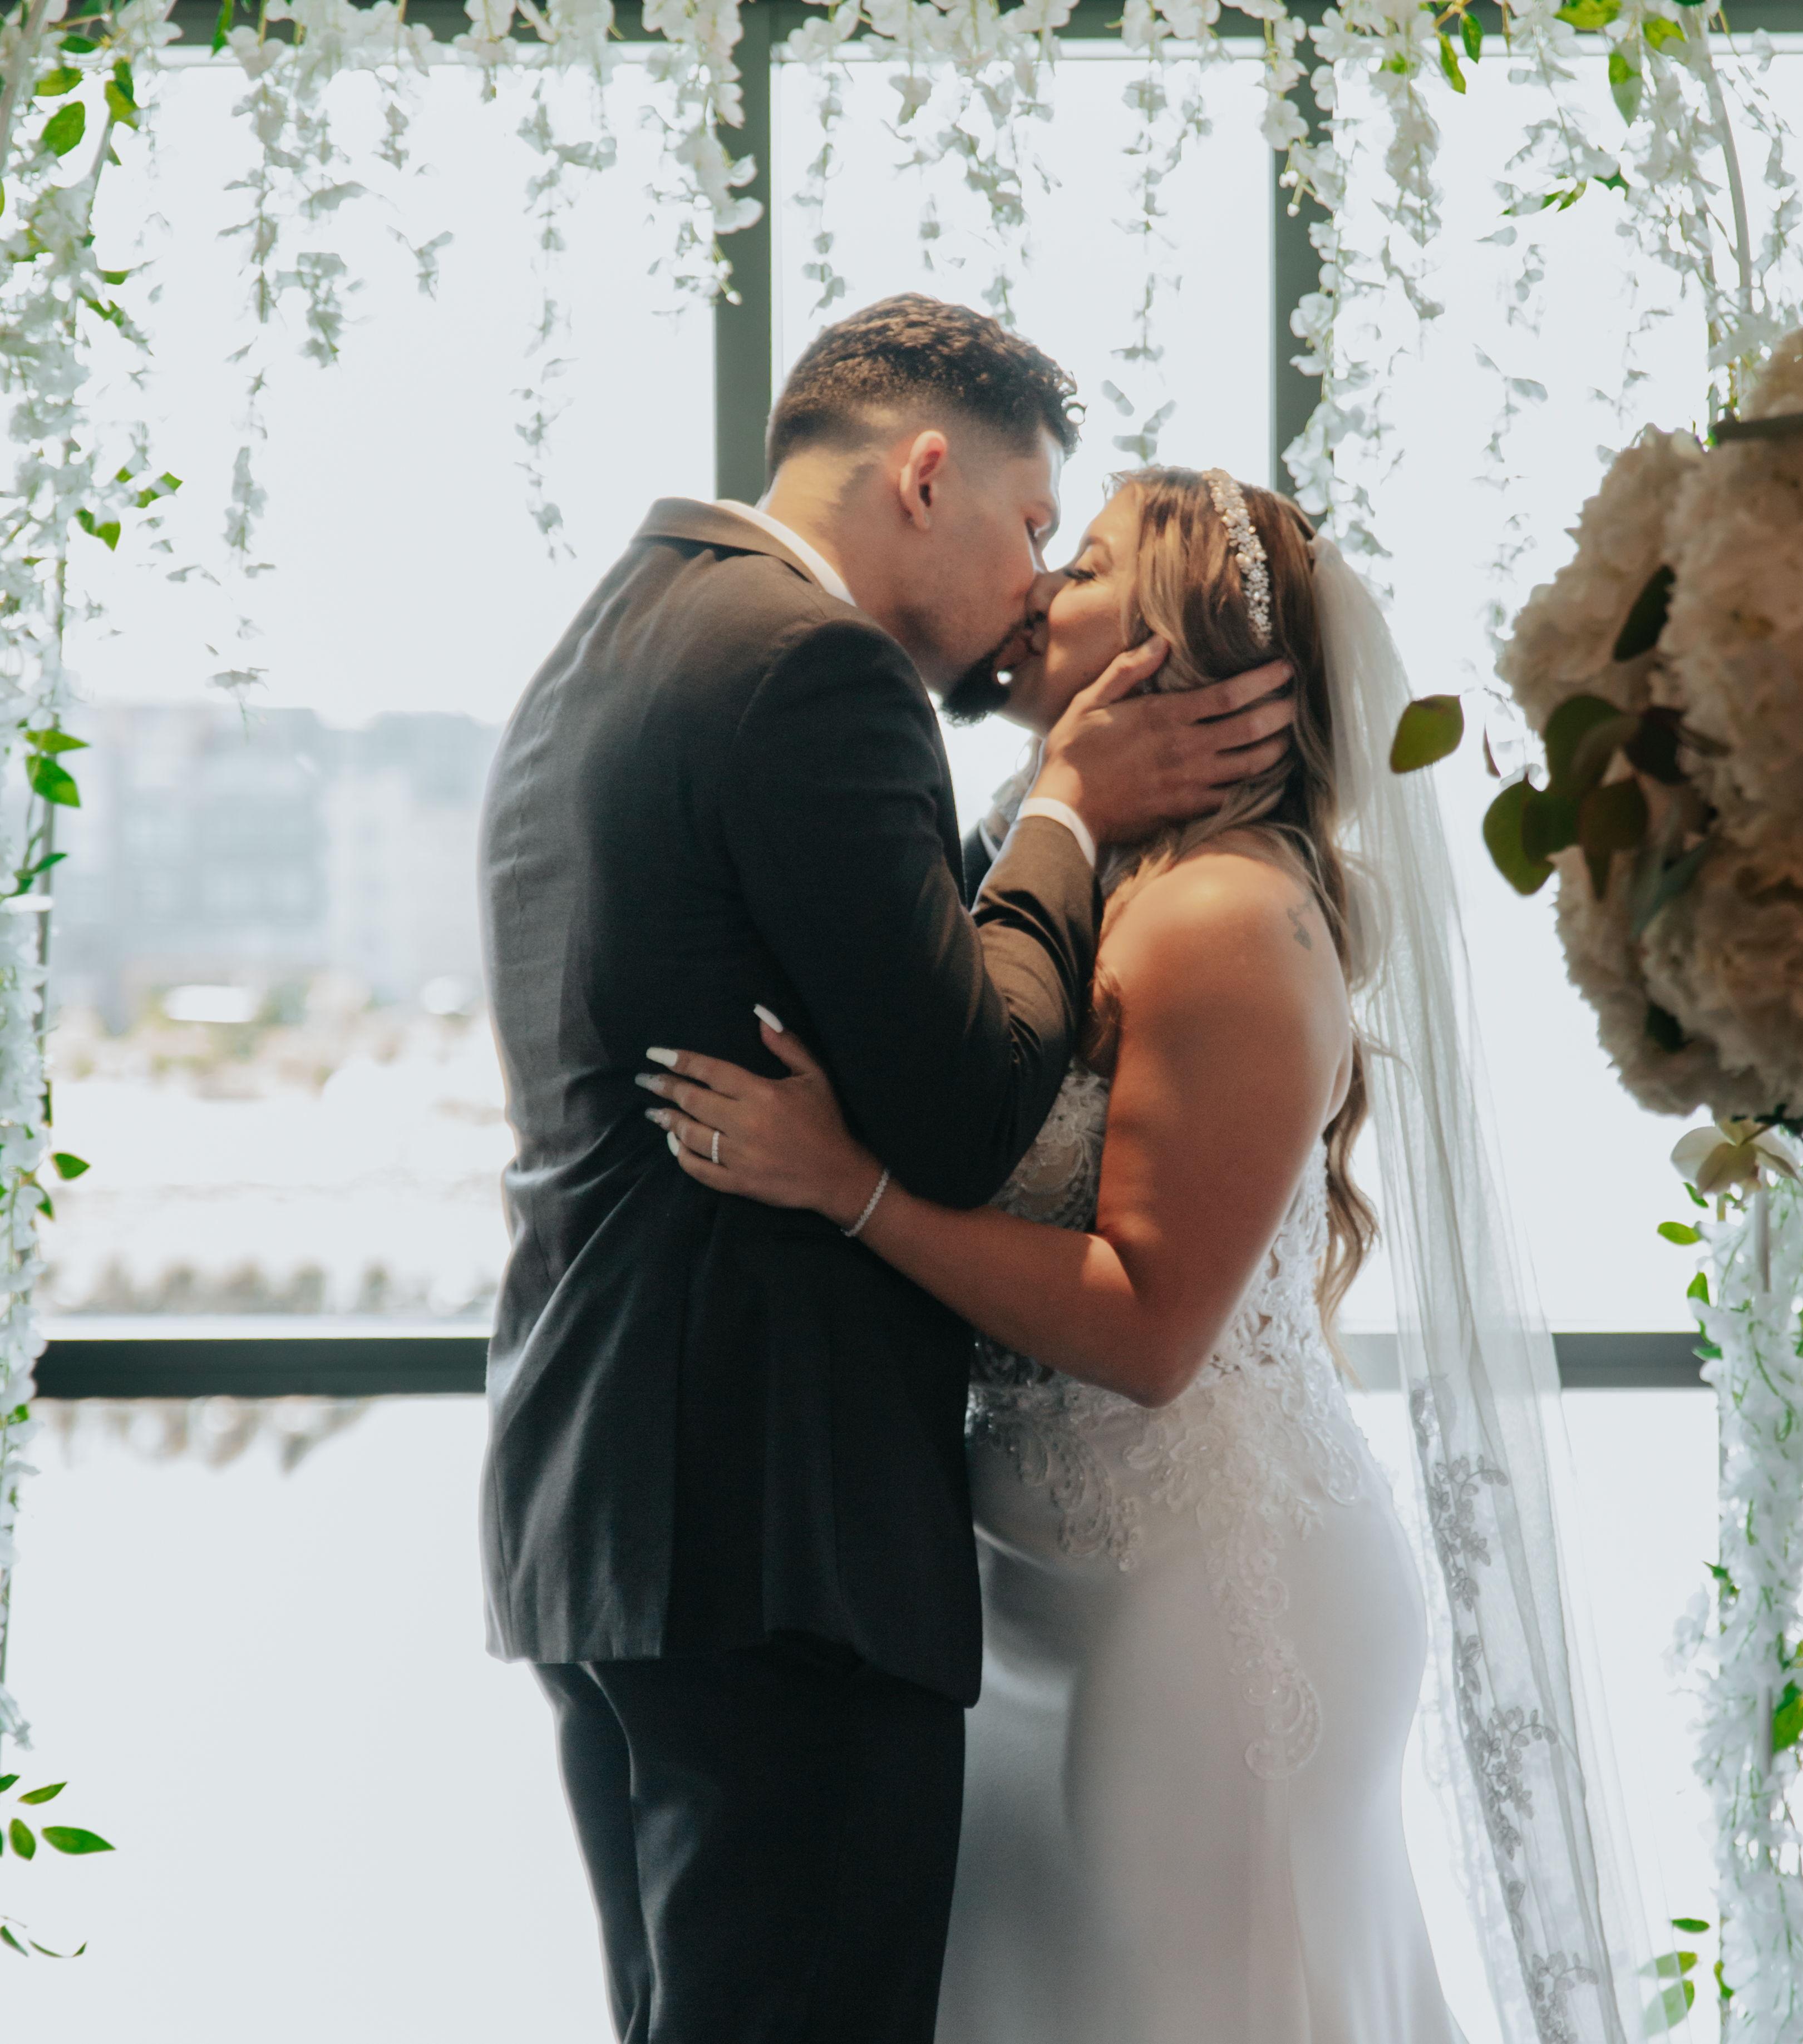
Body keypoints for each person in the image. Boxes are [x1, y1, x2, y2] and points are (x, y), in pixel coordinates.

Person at [477, 299, 1298, 2044]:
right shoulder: (815, 667)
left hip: (604, 1518)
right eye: (1031, 521)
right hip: (781, 1543)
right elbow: (966, 1105)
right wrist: (1067, 802)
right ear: (927, 475)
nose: (1033, 583)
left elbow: (865, 966)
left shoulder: (615, 636)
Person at [642, 467, 1466, 2042]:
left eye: (1078, 564)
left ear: (1169, 645)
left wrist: (849, 1187)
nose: (1032, 589)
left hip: (1202, 1596)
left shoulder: (1221, 917)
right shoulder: (1085, 877)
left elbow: (1151, 1327)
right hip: (1041, 1589)